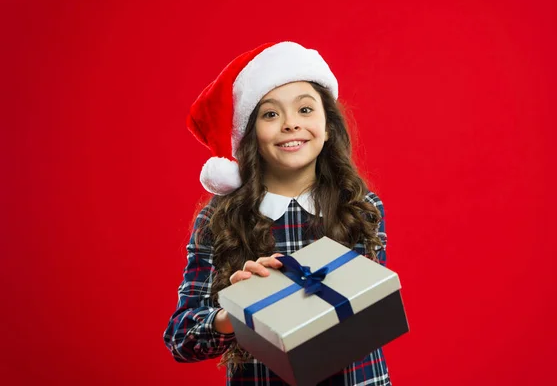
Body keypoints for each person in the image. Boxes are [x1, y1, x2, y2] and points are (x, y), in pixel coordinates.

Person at [163, 41, 392, 385]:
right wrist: (235, 314)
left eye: (304, 110)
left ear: (328, 126)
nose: (290, 124)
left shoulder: (361, 207)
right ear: (250, 134)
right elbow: (180, 337)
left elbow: (370, 314)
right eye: (271, 114)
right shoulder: (218, 221)